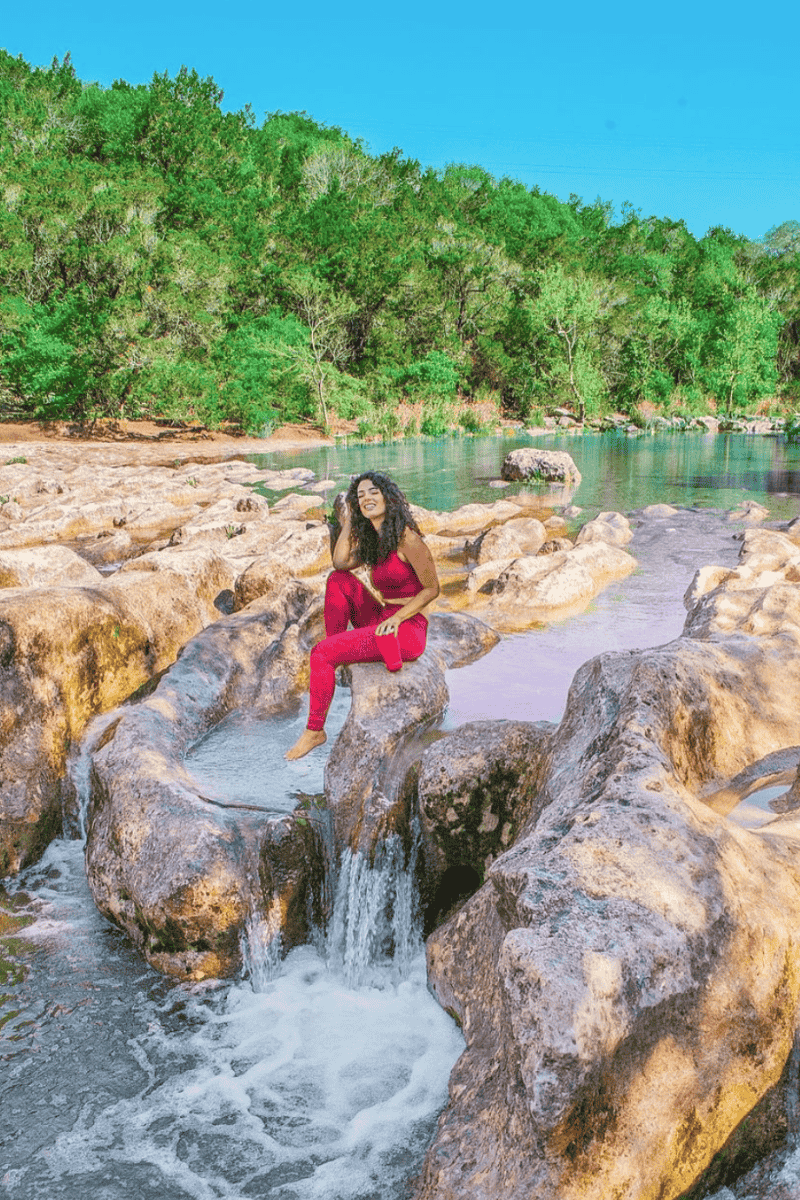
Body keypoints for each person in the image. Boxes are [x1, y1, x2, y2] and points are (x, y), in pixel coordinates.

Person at [286, 471, 440, 760]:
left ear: (387, 496)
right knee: (338, 580)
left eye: (373, 492)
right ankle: (339, 651)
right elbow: (341, 562)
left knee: (320, 654)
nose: (367, 498)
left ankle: (315, 731)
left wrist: (397, 618)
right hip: (383, 617)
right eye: (360, 497)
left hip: (407, 628)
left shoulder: (407, 538)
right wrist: (347, 523)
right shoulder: (375, 539)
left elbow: (432, 589)